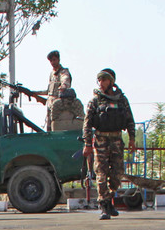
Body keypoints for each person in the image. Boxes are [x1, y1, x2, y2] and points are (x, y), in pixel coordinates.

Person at [82, 68, 136, 220]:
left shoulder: (121, 100)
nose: (101, 83)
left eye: (104, 80)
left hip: (117, 140)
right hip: (100, 140)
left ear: (111, 82)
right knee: (101, 173)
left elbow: (130, 120)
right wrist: (87, 144)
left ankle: (109, 198)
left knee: (117, 174)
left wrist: (132, 139)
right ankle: (104, 205)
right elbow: (87, 124)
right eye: (99, 80)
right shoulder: (95, 101)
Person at [37, 50, 72, 131]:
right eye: (51, 61)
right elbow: (48, 91)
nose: (53, 62)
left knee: (57, 127)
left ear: (58, 60)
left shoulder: (63, 72)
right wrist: (34, 93)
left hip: (59, 106)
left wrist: (63, 86)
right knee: (49, 128)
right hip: (50, 106)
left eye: (54, 60)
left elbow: (65, 80)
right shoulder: (52, 74)